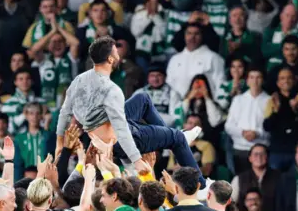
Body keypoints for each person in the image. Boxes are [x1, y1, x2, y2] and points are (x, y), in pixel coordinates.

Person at [55, 36, 205, 186]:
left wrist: (60, 143)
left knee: (142, 99)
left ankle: (166, 137)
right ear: (110, 59)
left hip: (102, 134)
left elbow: (64, 112)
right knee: (178, 137)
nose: (119, 55)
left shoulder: (80, 80)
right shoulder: (112, 90)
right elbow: (121, 129)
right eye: (116, 52)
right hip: (119, 140)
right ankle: (201, 184)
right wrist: (137, 160)